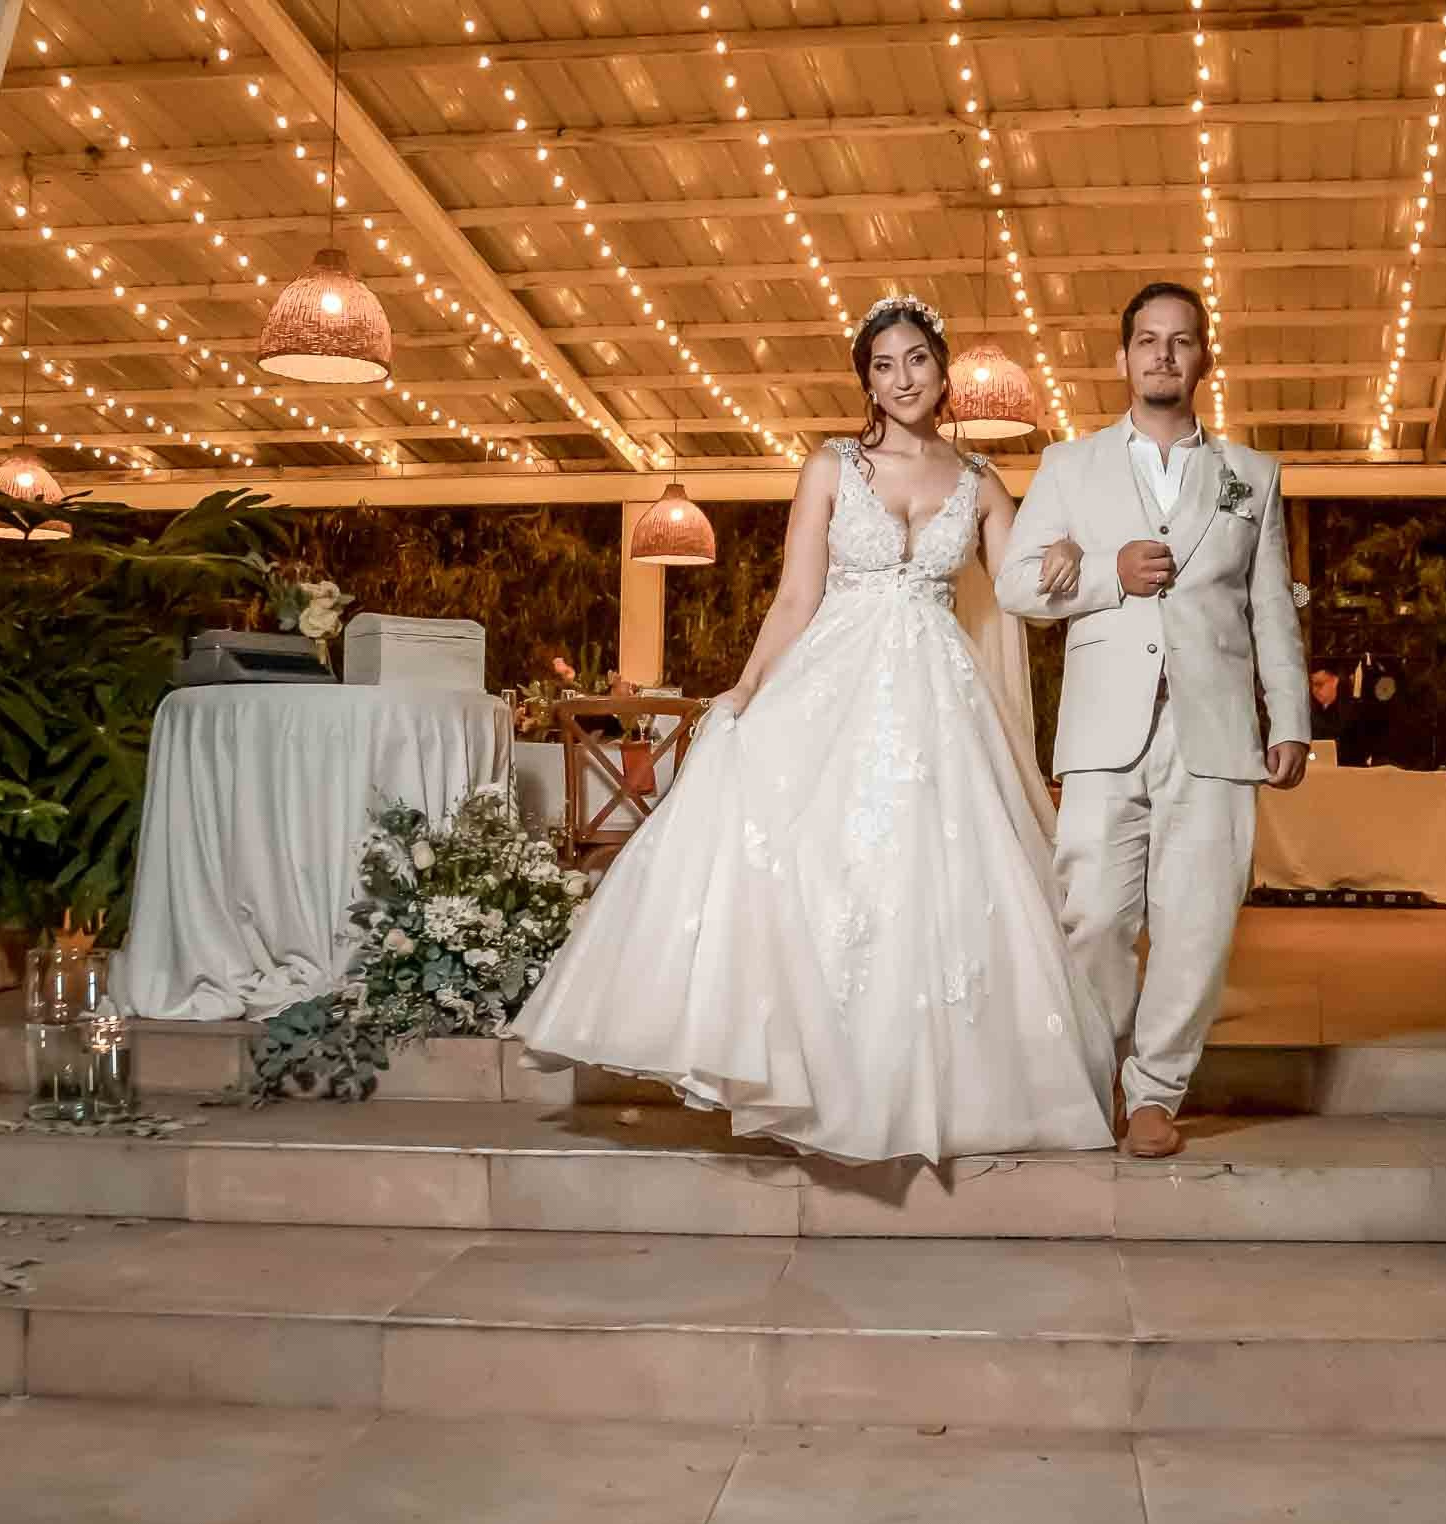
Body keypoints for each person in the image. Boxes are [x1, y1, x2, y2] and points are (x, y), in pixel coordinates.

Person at [507, 295, 1115, 1164]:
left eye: (915, 361)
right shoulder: (830, 465)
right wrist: (747, 690)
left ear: (943, 372)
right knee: (821, 870)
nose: (901, 378)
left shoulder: (981, 481)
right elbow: (796, 596)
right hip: (833, 682)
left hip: (941, 698)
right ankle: (819, 1072)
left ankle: (914, 1086)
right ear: (866, 379)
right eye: (882, 365)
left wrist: (1067, 557)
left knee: (934, 880)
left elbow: (1024, 585)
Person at [998, 282, 1311, 1157]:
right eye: (1147, 340)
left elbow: (1272, 609)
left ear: (1204, 357)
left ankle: (1156, 1092)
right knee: (1094, 912)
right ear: (1122, 356)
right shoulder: (1069, 465)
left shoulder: (1252, 476)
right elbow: (1019, 584)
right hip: (1104, 730)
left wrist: (1288, 716)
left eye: (1180, 341)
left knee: (1199, 917)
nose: (1162, 355)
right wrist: (1106, 573)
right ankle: (1097, 1069)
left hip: (1214, 732)